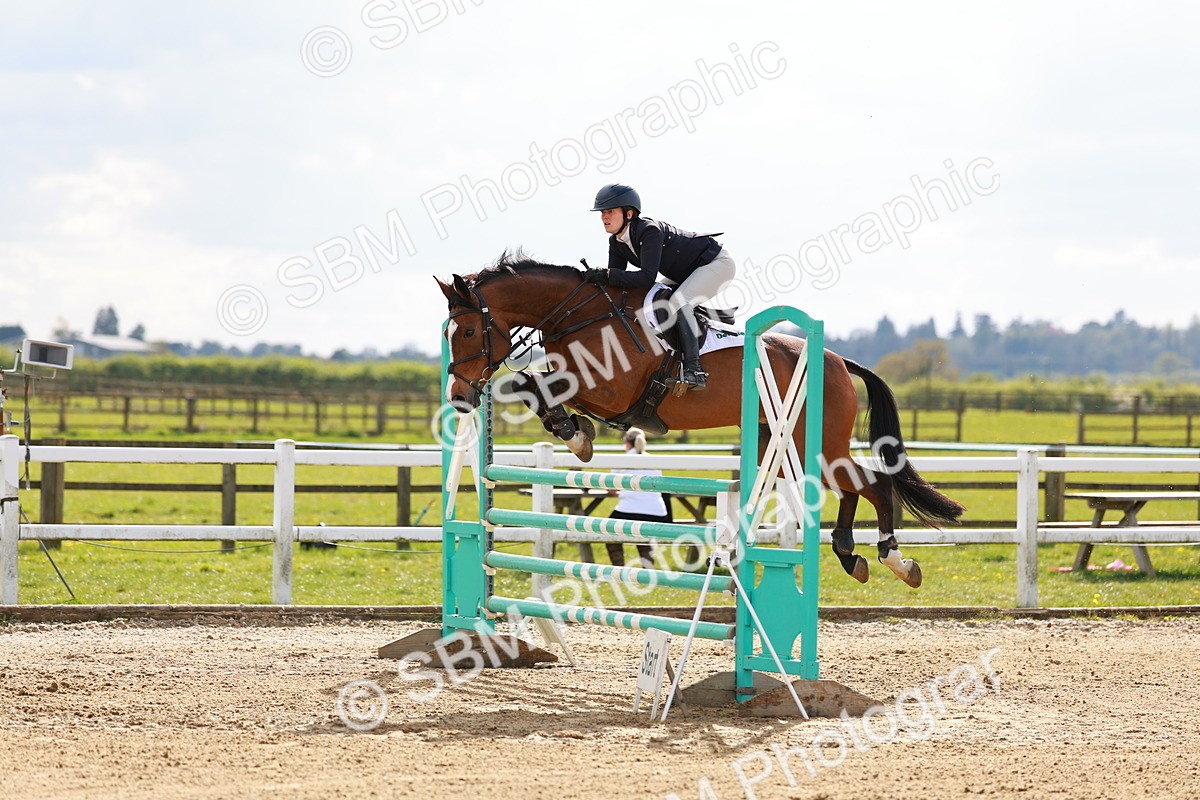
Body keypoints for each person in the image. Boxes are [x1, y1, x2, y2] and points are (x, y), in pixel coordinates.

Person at [584, 183, 736, 391]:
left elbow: (646, 277)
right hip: (684, 273)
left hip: (716, 264)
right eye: (602, 212)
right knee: (652, 302)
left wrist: (607, 274)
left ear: (629, 213)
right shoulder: (616, 242)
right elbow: (617, 285)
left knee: (678, 303)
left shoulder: (649, 231)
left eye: (609, 211)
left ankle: (695, 371)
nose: (604, 217)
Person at [606, 427, 672, 568]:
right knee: (642, 537)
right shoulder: (653, 460)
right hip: (657, 513)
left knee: (607, 532)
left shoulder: (622, 460)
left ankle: (619, 570)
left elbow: (610, 488)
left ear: (627, 443)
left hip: (630, 510)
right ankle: (648, 570)